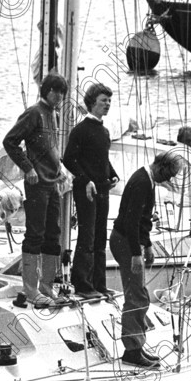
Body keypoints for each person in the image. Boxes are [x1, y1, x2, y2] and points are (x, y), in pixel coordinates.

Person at [110, 151, 182, 368]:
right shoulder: (142, 182)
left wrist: (147, 245)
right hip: (124, 242)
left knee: (138, 293)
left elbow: (142, 221)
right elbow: (131, 221)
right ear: (160, 167)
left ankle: (137, 346)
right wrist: (135, 253)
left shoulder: (146, 179)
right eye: (168, 176)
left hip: (127, 240)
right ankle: (132, 350)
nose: (168, 181)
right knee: (136, 295)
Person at [3, 72, 69, 308]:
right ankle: (30, 289)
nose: (60, 96)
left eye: (63, 93)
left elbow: (51, 148)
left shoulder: (54, 114)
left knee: (54, 233)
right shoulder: (33, 113)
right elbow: (10, 141)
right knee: (35, 233)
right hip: (36, 184)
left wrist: (59, 168)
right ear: (48, 91)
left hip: (52, 183)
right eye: (57, 92)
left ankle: (46, 285)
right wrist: (27, 167)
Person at [62, 83, 119, 299]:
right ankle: (83, 285)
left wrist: (112, 174)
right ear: (92, 102)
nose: (107, 104)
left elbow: (102, 159)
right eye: (104, 100)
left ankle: (99, 284)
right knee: (87, 236)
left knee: (100, 237)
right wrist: (85, 180)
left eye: (109, 101)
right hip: (86, 190)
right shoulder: (81, 129)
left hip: (102, 189)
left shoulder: (103, 130)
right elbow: (69, 159)